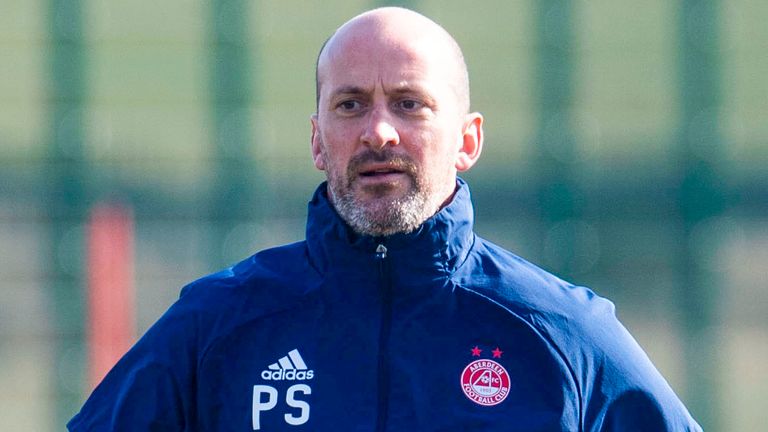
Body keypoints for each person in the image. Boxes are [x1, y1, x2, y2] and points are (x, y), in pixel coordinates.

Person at [68, 7, 702, 431]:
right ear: (318, 140)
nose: (379, 132)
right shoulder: (215, 330)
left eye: (410, 104)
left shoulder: (563, 335)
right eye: (350, 105)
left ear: (467, 139)